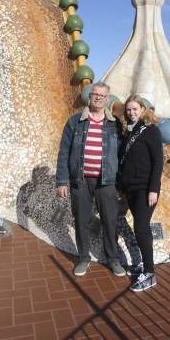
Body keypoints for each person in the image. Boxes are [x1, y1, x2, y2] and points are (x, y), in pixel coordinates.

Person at [56, 81, 125, 277]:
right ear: (90, 96)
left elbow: (121, 155)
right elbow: (64, 152)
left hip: (107, 181)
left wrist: (121, 184)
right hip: (80, 180)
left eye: (102, 96)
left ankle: (112, 259)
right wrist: (62, 181)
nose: (98, 98)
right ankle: (84, 258)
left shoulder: (115, 124)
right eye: (95, 94)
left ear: (107, 99)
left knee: (110, 221)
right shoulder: (74, 121)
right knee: (81, 220)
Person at [118, 94, 163, 292]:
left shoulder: (150, 131)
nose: (132, 112)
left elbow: (158, 161)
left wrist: (153, 189)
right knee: (141, 229)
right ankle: (144, 265)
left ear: (142, 110)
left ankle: (150, 273)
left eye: (135, 109)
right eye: (129, 109)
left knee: (141, 229)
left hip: (146, 189)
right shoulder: (128, 131)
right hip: (131, 189)